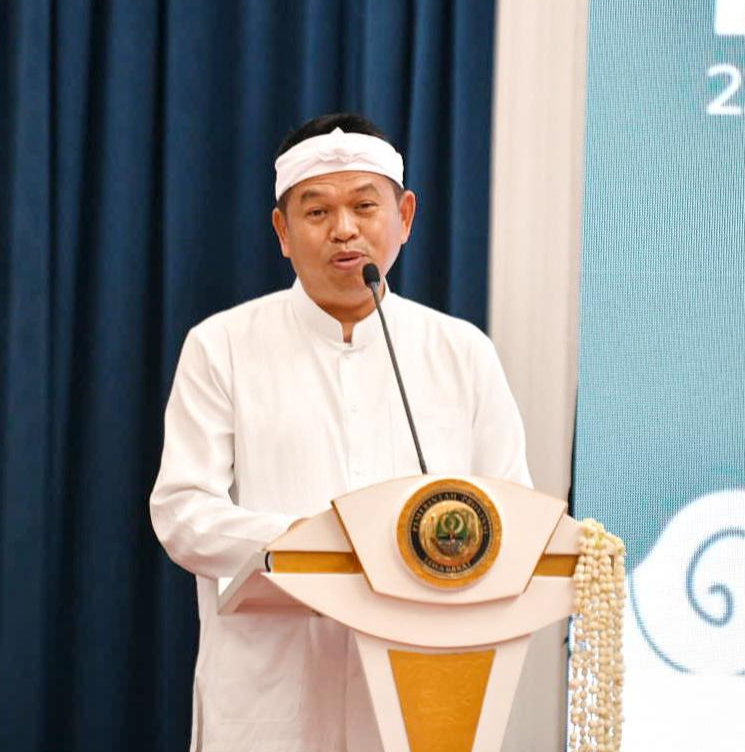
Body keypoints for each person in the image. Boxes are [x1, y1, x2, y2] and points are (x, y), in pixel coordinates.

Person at [150, 112, 532, 752]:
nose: (345, 229)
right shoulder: (222, 346)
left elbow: (511, 517)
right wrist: (324, 547)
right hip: (271, 703)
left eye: (364, 205)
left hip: (417, 701)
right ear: (283, 231)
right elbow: (182, 511)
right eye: (318, 211)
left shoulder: (462, 352)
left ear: (405, 216)